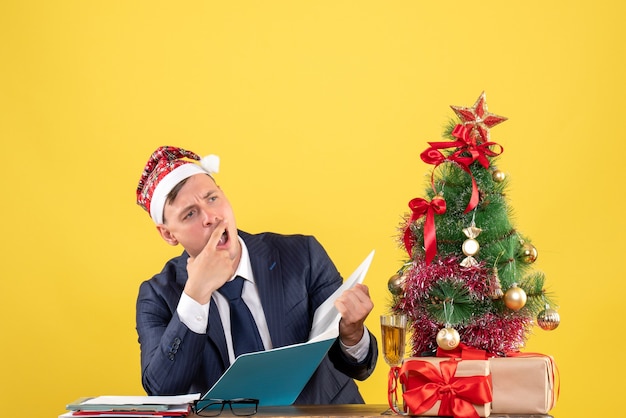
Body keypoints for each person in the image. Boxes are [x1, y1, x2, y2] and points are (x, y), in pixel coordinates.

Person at [135, 146, 378, 404]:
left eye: (212, 198)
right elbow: (161, 391)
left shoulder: (303, 254)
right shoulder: (157, 295)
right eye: (190, 214)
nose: (210, 217)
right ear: (169, 234)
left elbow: (357, 367)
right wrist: (196, 294)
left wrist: (353, 335)